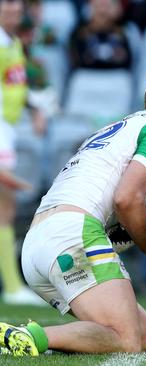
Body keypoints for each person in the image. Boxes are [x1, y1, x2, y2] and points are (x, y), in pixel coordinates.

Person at [0, 68, 146, 356]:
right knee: (127, 340)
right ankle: (26, 336)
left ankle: (48, 341)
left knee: (145, 334)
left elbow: (112, 195)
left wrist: (142, 207)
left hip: (38, 244)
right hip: (72, 233)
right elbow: (126, 198)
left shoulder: (120, 127)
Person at [0, 0, 47, 307]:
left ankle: (12, 285)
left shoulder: (12, 41)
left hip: (8, 130)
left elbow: (12, 87)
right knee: (5, 208)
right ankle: (13, 286)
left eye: (17, 2)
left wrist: (34, 108)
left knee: (4, 210)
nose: (13, 8)